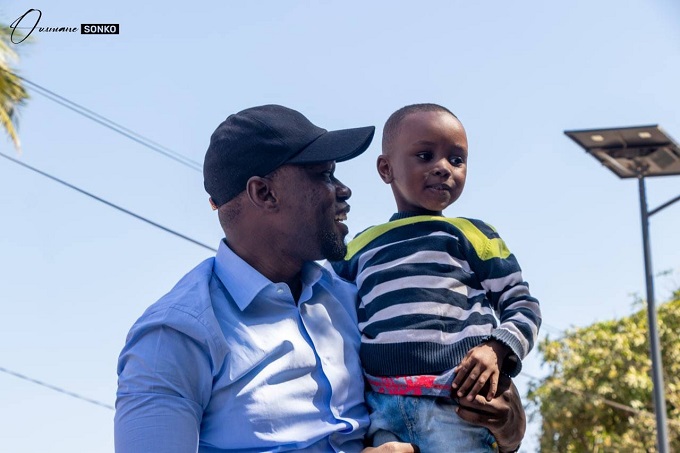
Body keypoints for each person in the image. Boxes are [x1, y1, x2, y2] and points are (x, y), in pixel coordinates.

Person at [114, 104, 526, 453]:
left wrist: (508, 427)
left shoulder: (355, 295)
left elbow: (454, 399)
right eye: (324, 175)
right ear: (264, 193)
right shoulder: (174, 337)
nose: (344, 190)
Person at [330, 103, 541, 452]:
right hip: (382, 408)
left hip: (458, 406)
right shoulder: (358, 249)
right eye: (425, 156)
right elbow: (327, 314)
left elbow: (522, 304)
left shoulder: (472, 234)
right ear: (386, 168)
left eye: (457, 160)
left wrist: (497, 348)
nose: (443, 168)